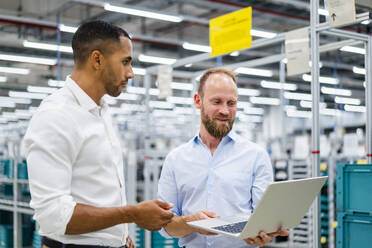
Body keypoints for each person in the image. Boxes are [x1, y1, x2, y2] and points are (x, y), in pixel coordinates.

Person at [23, 20, 173, 248]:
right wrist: (132, 214)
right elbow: (53, 215)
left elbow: (97, 192)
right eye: (125, 62)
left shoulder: (101, 110)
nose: (131, 73)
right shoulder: (56, 116)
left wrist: (118, 236)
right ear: (97, 59)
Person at [157, 68, 289, 248]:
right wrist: (191, 222)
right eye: (217, 102)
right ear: (198, 101)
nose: (225, 111)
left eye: (231, 103)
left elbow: (262, 220)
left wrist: (264, 233)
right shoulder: (175, 160)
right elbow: (166, 227)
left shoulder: (256, 156)